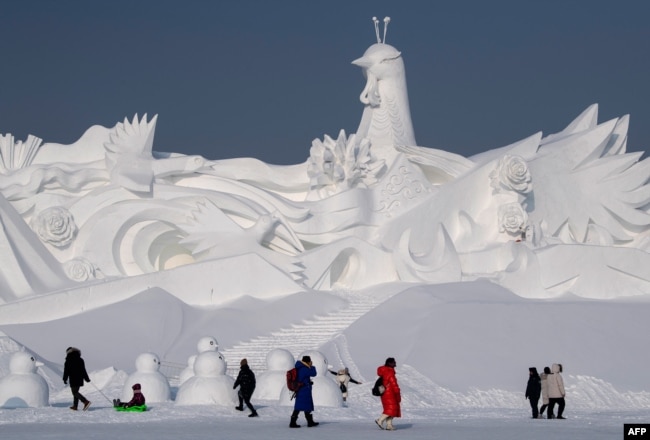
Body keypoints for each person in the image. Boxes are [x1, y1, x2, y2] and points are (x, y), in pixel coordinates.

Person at [289, 355, 319, 428]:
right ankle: (293, 423)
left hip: (302, 389)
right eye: (310, 361)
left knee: (304, 406)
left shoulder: (300, 367)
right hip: (303, 390)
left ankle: (309, 422)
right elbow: (314, 373)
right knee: (299, 407)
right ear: (308, 362)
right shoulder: (304, 369)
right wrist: (312, 366)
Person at [375, 357, 401, 431]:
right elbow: (394, 384)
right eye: (394, 362)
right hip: (390, 393)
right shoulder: (389, 372)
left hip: (385, 393)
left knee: (390, 409)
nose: (395, 363)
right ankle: (380, 420)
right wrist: (397, 391)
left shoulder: (385, 371)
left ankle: (389, 425)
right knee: (391, 408)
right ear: (390, 363)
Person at [62, 347, 91, 411]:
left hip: (73, 378)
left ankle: (86, 401)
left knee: (75, 392)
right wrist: (87, 378)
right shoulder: (80, 359)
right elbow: (83, 370)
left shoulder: (68, 360)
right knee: (75, 392)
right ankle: (75, 406)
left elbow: (66, 371)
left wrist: (64, 379)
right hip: (79, 378)